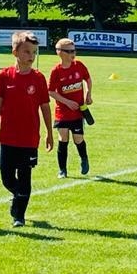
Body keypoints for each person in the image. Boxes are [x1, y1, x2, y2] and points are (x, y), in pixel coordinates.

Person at [0, 31, 53, 227]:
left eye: (34, 52)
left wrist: (50, 133)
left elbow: (45, 107)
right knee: (7, 177)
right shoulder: (4, 76)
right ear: (15, 52)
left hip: (29, 138)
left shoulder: (39, 78)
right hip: (7, 137)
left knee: (25, 176)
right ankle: (19, 196)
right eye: (26, 51)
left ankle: (19, 216)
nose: (31, 56)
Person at [48, 38, 93, 177]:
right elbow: (51, 91)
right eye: (69, 51)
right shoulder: (56, 71)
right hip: (62, 112)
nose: (73, 54)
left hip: (78, 112)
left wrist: (88, 94)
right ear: (60, 52)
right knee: (63, 139)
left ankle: (84, 159)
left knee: (78, 139)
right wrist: (67, 102)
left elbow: (88, 79)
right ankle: (62, 170)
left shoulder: (79, 65)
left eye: (74, 50)